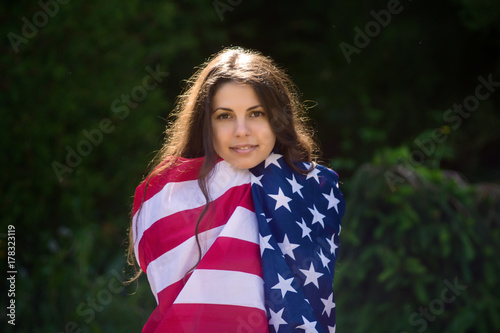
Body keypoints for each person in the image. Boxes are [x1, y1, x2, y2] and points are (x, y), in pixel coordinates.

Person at [128, 46, 345, 333]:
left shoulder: (311, 192)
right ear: (205, 124)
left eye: (256, 113)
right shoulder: (168, 198)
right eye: (225, 116)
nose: (241, 130)